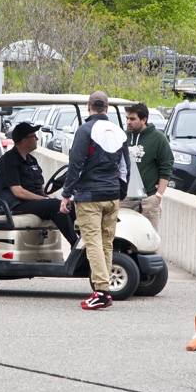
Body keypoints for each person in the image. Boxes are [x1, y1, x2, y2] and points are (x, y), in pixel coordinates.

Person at [60, 90, 129, 310]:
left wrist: (66, 194)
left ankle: (101, 292)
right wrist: (120, 194)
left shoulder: (85, 130)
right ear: (106, 108)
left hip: (89, 196)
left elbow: (76, 164)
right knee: (107, 243)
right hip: (112, 195)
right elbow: (125, 168)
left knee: (93, 243)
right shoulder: (119, 132)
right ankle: (104, 289)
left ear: (88, 107)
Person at [0, 121, 80, 249]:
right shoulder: (8, 160)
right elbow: (18, 191)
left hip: (34, 203)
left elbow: (42, 187)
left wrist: (51, 197)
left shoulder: (32, 160)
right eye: (34, 136)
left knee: (71, 206)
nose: (37, 139)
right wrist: (44, 199)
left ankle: (86, 243)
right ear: (24, 141)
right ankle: (75, 244)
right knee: (55, 205)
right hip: (17, 204)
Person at [122, 102, 173, 232]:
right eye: (127, 118)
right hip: (125, 199)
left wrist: (158, 196)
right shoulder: (123, 137)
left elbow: (166, 168)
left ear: (144, 120)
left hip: (148, 199)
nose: (128, 122)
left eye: (132, 119)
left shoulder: (158, 139)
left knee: (150, 238)